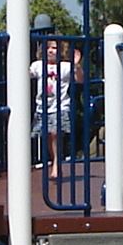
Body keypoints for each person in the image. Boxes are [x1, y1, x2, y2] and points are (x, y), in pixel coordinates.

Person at [29, 15, 80, 153]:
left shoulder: (64, 66)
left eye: (54, 48)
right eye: (48, 48)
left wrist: (76, 65)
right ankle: (54, 160)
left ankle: (56, 163)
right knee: (46, 136)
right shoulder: (38, 65)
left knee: (55, 134)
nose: (50, 51)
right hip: (42, 107)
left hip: (60, 106)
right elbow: (26, 74)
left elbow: (80, 79)